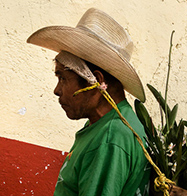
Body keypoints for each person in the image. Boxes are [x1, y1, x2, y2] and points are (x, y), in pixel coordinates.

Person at [27, 8, 150, 196]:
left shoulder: (110, 139)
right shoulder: (107, 123)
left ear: (97, 82)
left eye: (63, 78)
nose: (56, 90)